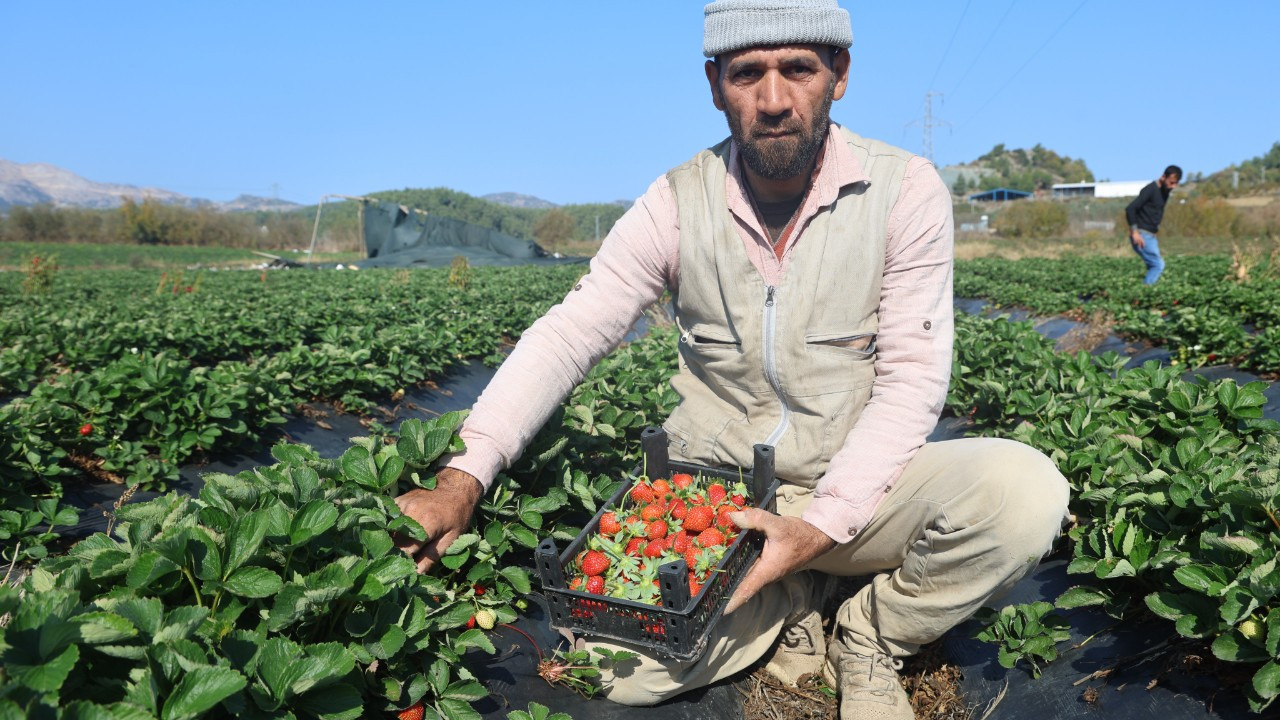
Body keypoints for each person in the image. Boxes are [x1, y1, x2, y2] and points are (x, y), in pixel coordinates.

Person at [394, 2, 1070, 717]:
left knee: (1023, 494)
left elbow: (912, 383)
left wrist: (813, 530)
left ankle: (871, 635)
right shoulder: (677, 202)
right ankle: (795, 595)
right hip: (717, 503)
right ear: (715, 85)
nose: (774, 100)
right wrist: (462, 477)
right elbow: (572, 331)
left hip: (860, 488)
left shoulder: (902, 190)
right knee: (618, 674)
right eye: (748, 74)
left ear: (839, 75)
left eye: (799, 70)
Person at [1126, 165, 1182, 284]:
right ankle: (1144, 294)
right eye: (1171, 182)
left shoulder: (1165, 191)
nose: (1173, 186)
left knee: (1155, 265)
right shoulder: (1150, 190)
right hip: (1142, 235)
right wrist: (1134, 232)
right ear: (1163, 176)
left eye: (1176, 183)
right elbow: (1130, 208)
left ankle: (1145, 290)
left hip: (1151, 235)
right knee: (1157, 265)